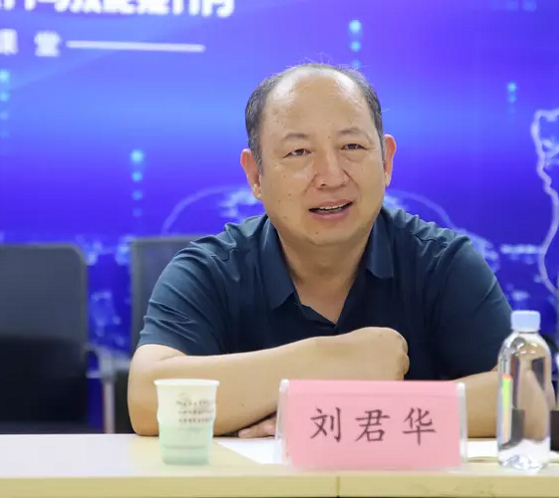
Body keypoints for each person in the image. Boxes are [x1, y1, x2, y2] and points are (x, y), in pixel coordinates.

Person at [128, 63, 523, 439]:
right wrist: (326, 360)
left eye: (352, 146)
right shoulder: (210, 271)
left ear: (386, 161)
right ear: (255, 175)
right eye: (299, 152)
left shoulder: (441, 262)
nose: (331, 177)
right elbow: (147, 401)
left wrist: (348, 414)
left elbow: (526, 398)